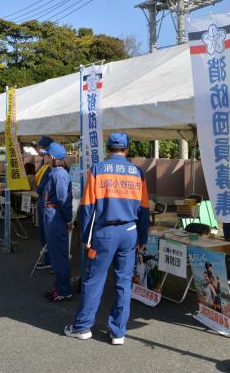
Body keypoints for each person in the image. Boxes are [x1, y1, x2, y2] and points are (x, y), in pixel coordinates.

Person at [65, 132, 149, 345]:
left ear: (108, 148)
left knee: (94, 280)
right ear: (127, 149)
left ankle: (83, 327)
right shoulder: (137, 172)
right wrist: (143, 237)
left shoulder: (98, 170)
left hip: (104, 233)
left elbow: (87, 207)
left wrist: (85, 236)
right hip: (129, 232)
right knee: (123, 282)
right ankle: (118, 333)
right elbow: (144, 210)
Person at [42, 142, 74, 302]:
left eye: (46, 154)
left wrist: (68, 219)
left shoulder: (59, 173)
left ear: (53, 157)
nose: (44, 156)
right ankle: (60, 287)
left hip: (55, 216)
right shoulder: (55, 172)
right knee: (56, 254)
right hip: (53, 214)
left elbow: (64, 199)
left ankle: (63, 290)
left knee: (59, 255)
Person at [34, 136, 54, 270]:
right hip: (42, 201)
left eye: (41, 147)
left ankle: (52, 261)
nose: (39, 149)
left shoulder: (54, 166)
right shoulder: (43, 163)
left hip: (49, 203)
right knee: (43, 233)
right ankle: (47, 259)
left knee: (50, 234)